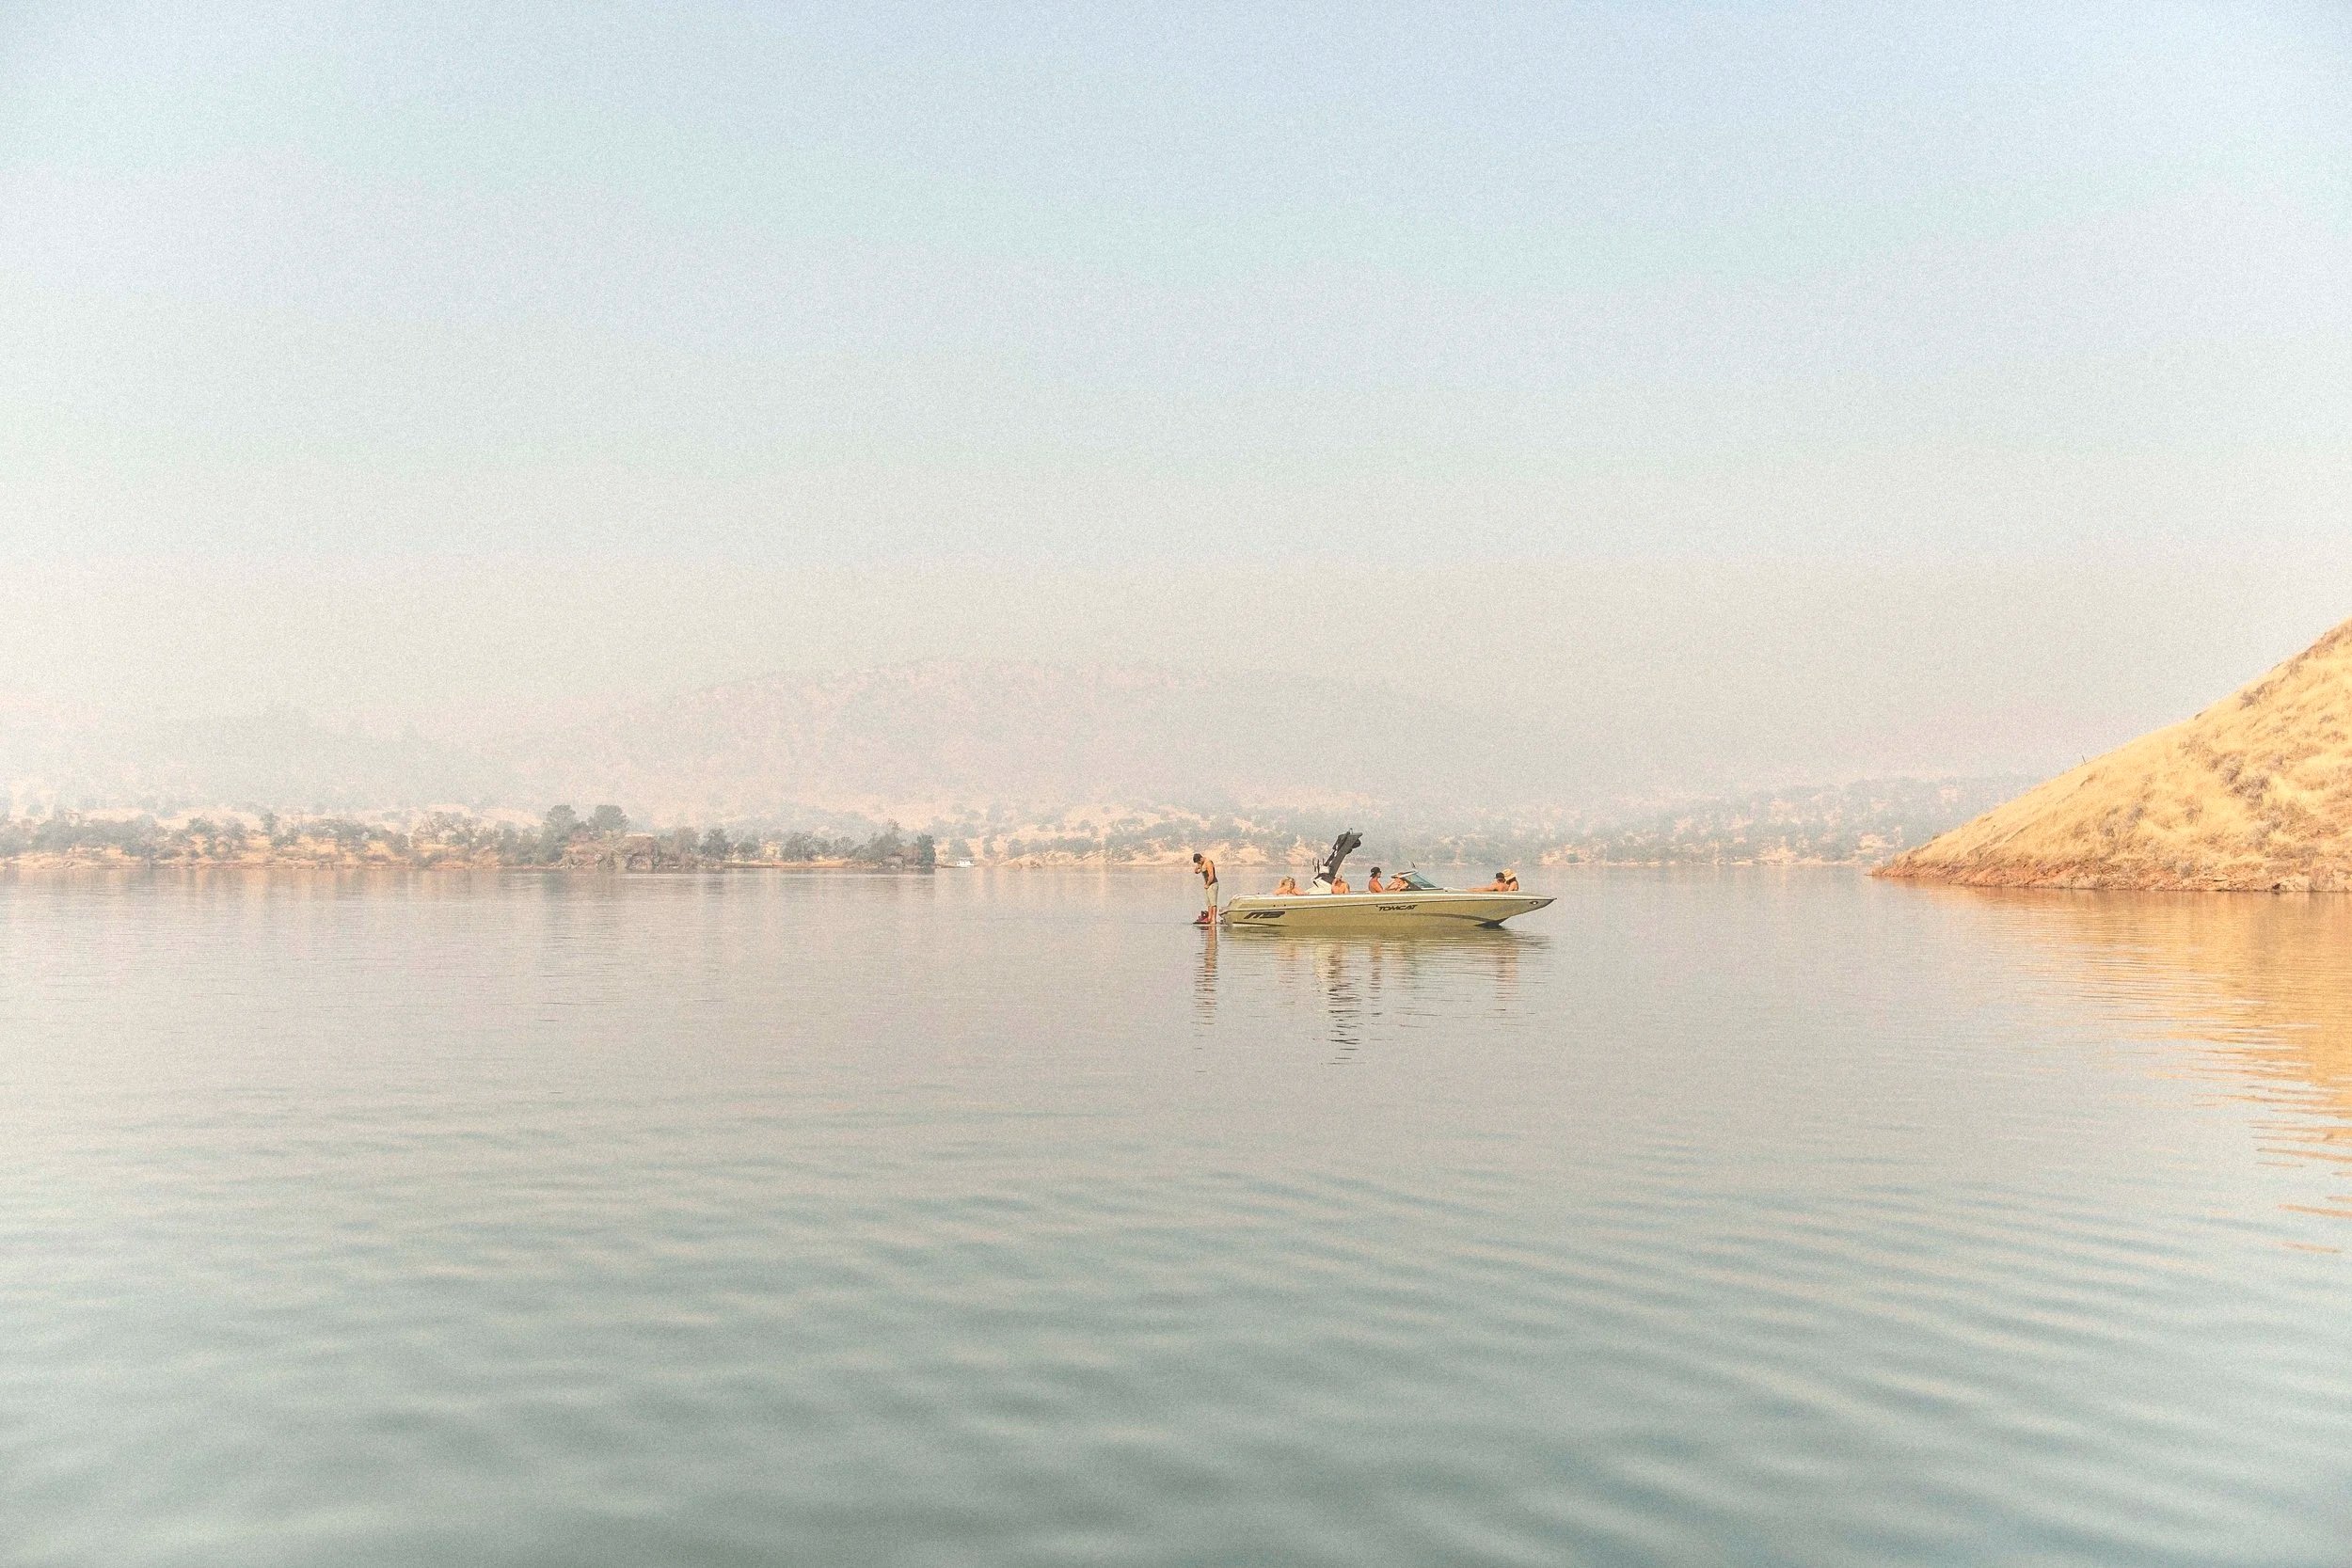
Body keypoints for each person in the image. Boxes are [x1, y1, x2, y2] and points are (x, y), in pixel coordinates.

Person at [1190, 851, 1218, 924]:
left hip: (1212, 884)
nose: (1198, 863)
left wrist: (1208, 884)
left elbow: (1211, 876)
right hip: (1207, 885)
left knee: (1213, 903)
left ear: (1201, 858)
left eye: (1199, 861)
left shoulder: (1208, 863)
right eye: (1197, 863)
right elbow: (1197, 871)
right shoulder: (1200, 863)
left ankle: (1213, 920)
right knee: (1208, 903)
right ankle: (1209, 918)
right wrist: (1197, 870)